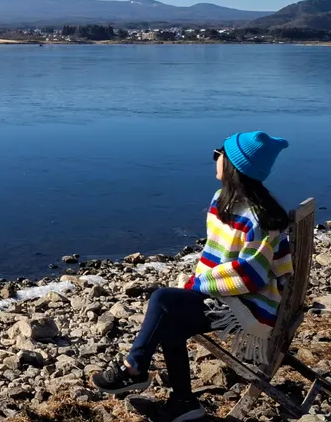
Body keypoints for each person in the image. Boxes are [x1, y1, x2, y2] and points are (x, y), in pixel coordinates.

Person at [89, 131, 293, 422]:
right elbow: (219, 256)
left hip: (249, 305)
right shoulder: (224, 200)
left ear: (235, 165)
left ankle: (134, 368)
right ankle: (183, 402)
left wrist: (199, 284)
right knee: (169, 317)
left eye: (218, 153)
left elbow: (251, 276)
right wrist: (200, 286)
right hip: (226, 293)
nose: (215, 158)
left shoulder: (258, 217)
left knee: (162, 299)